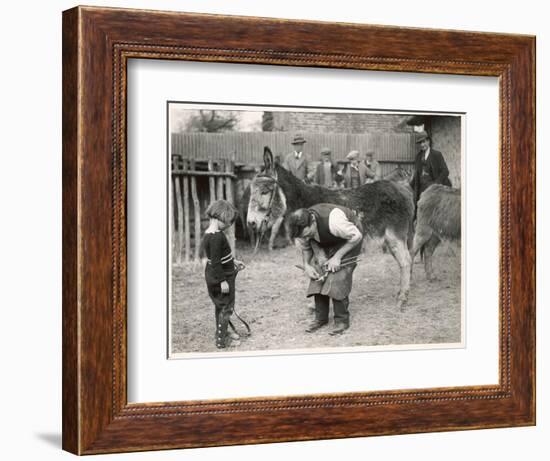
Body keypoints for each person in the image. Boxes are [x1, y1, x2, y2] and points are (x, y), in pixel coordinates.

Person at [288, 203, 363, 336]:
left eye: (307, 234)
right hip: (327, 240)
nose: (306, 239)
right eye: (303, 237)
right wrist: (307, 265)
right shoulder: (302, 230)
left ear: (313, 222)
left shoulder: (335, 221)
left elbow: (356, 236)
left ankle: (341, 320)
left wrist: (338, 257)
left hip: (349, 239)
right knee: (318, 274)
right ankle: (320, 318)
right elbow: (306, 247)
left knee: (338, 277)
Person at [201, 200, 246, 349]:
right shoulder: (216, 237)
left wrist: (233, 261)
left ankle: (223, 332)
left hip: (220, 273)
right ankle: (221, 340)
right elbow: (215, 262)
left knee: (221, 306)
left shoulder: (210, 234)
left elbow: (220, 257)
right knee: (226, 307)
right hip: (222, 277)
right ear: (220, 217)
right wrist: (223, 282)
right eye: (227, 223)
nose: (228, 226)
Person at [410, 131, 452, 204]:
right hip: (421, 192)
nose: (422, 145)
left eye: (423, 142)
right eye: (420, 143)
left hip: (434, 191)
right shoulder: (418, 157)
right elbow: (417, 175)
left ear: (428, 141)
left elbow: (445, 171)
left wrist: (436, 184)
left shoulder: (437, 155)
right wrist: (409, 186)